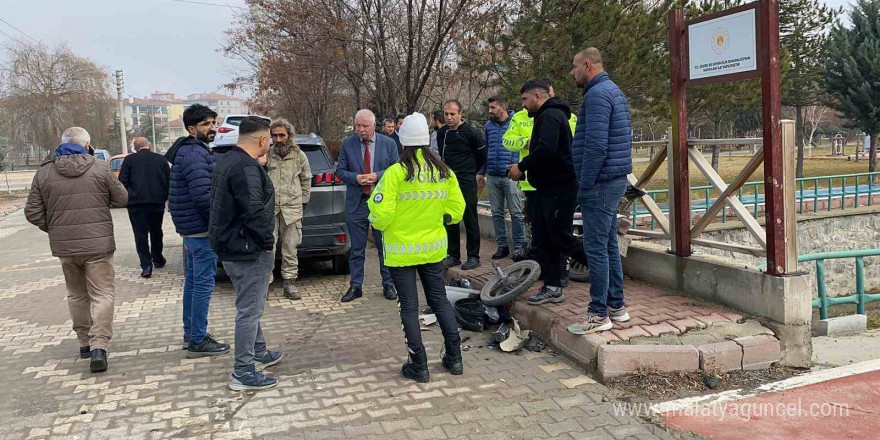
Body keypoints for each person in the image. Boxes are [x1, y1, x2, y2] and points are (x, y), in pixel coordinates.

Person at [367, 112, 466, 383]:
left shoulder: (396, 173)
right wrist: (438, 220)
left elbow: (381, 215)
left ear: (402, 140)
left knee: (408, 307)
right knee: (439, 300)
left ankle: (418, 364)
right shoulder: (443, 172)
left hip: (401, 253)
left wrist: (375, 220)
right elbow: (456, 211)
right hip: (433, 250)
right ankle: (454, 359)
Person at [25, 127, 128, 373]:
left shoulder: (44, 172)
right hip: (98, 246)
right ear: (87, 144)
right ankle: (99, 346)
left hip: (66, 247)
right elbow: (122, 198)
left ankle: (83, 342)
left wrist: (54, 228)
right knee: (102, 294)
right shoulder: (100, 168)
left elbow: (32, 212)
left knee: (76, 294)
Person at [209, 116, 283, 391]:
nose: (272, 143)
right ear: (263, 140)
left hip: (232, 247)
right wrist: (266, 241)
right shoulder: (246, 167)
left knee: (251, 305)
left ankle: (260, 352)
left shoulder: (227, 161)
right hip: (247, 250)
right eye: (270, 139)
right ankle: (243, 371)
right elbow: (254, 212)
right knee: (249, 311)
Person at [566, 47, 633, 334]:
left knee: (594, 247)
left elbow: (596, 146)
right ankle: (616, 307)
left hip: (601, 182)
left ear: (588, 65)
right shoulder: (612, 91)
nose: (572, 73)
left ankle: (598, 313)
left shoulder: (596, 95)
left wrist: (585, 182)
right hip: (612, 179)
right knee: (606, 244)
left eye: (575, 67)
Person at [508, 79, 588, 305]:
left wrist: (521, 167)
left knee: (561, 237)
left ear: (538, 96)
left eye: (525, 99)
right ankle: (552, 287)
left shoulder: (550, 116)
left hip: (559, 188)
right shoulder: (545, 116)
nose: (523, 104)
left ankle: (604, 269)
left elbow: (547, 150)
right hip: (545, 188)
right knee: (545, 239)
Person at [165, 104, 231, 357]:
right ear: (192, 129)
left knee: (193, 284)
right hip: (201, 231)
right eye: (206, 124)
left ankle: (192, 333)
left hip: (191, 231)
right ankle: (198, 339)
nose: (212, 128)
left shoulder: (191, 151)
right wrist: (219, 225)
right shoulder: (194, 154)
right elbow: (204, 197)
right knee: (202, 286)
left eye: (213, 123)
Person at [335, 109, 399, 302]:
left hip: (381, 203)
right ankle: (356, 286)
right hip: (358, 203)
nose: (361, 130)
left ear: (373, 125)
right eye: (358, 126)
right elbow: (340, 171)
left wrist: (377, 176)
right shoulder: (348, 143)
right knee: (356, 248)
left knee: (384, 246)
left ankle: (388, 284)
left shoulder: (388, 143)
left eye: (364, 126)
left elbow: (396, 169)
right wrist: (356, 178)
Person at [437, 100, 487, 270]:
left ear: (460, 114)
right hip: (448, 181)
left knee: (469, 217)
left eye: (453, 114)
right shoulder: (441, 133)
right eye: (446, 114)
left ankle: (473, 256)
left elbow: (482, 156)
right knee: (450, 218)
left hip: (466, 180)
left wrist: (472, 171)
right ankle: (453, 255)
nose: (449, 117)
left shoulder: (471, 133)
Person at [266, 118, 311, 300]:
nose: (278, 139)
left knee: (290, 249)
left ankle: (289, 284)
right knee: (267, 249)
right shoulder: (266, 155)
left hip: (292, 211)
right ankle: (265, 285)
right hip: (270, 211)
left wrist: (302, 203)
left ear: (289, 136)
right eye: (274, 135)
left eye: (281, 135)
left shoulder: (299, 156)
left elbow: (306, 181)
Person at [119, 137, 170, 278]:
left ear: (135, 148)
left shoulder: (129, 160)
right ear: (150, 145)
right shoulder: (161, 159)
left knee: (140, 234)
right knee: (156, 231)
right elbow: (169, 180)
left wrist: (129, 196)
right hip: (157, 202)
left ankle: (146, 266)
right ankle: (158, 259)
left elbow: (122, 181)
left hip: (136, 204)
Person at [483, 95, 525, 259]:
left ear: (502, 107)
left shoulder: (516, 123)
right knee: (497, 213)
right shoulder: (488, 126)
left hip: (511, 175)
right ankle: (502, 245)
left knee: (516, 212)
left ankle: (519, 246)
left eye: (493, 107)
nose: (490, 111)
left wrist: (516, 165)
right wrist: (482, 172)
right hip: (492, 175)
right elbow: (486, 149)